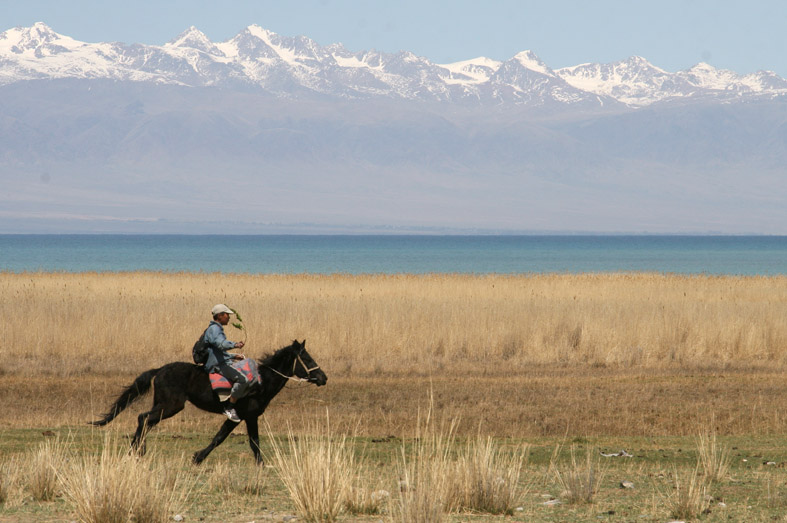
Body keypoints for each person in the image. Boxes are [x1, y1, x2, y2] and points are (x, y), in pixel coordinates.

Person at [204, 304, 250, 422]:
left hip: (219, 361)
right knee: (243, 380)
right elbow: (220, 344)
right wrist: (235, 345)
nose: (228, 317)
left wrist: (234, 356)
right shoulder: (215, 329)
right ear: (220, 316)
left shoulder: (215, 329)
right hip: (217, 365)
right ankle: (230, 408)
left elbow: (217, 351)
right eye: (227, 315)